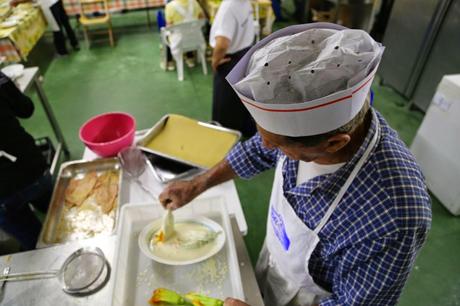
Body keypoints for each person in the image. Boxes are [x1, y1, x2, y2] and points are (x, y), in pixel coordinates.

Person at [159, 23, 431, 306]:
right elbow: (257, 151)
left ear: (334, 144)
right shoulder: (308, 126)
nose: (265, 146)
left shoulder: (394, 217)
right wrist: (196, 184)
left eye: (276, 144)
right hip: (275, 264)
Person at [0, 72, 53, 251]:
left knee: (37, 246)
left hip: (3, 195)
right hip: (31, 168)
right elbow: (25, 108)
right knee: (65, 218)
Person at [209, 0, 256, 137]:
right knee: (243, 102)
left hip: (230, 61)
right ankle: (245, 132)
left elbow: (222, 43)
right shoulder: (244, 2)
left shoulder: (228, 7)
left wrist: (215, 60)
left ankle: (225, 140)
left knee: (225, 111)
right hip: (246, 55)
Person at [11, 0, 79, 55]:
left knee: (56, 27)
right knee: (66, 23)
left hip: (49, 4)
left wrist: (17, 1)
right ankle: (74, 43)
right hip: (56, 2)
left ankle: (62, 51)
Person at [163, 0, 205, 70]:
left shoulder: (170, 6)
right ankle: (190, 58)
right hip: (195, 40)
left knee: (165, 34)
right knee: (189, 30)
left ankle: (170, 62)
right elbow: (202, 19)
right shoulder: (194, 2)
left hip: (179, 42)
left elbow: (169, 26)